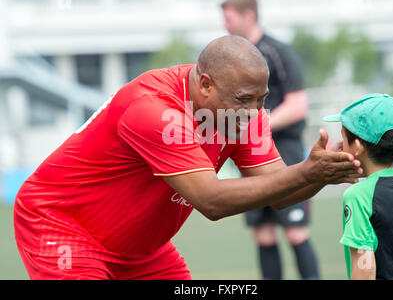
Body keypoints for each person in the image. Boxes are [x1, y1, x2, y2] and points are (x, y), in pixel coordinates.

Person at [14, 36, 362, 280]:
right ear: (206, 85)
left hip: (138, 247)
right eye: (245, 99)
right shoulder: (153, 109)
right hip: (63, 224)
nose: (255, 112)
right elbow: (211, 200)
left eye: (262, 98)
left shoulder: (242, 111)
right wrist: (307, 173)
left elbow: (282, 193)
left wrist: (320, 173)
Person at [221, 0, 319, 280]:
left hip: (283, 149)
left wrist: (257, 126)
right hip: (247, 155)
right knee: (263, 234)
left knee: (295, 231)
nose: (224, 26)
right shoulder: (231, 60)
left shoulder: (279, 51)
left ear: (248, 16)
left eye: (229, 19)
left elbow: (298, 105)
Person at [324, 93, 393, 280]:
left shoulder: (358, 195)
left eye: (343, 138)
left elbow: (364, 268)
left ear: (357, 147)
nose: (340, 146)